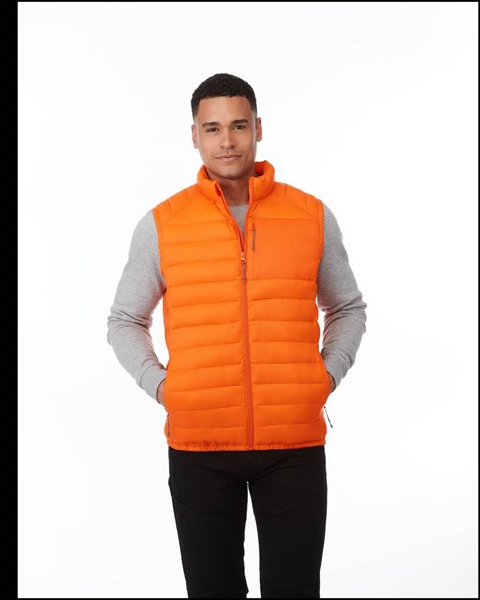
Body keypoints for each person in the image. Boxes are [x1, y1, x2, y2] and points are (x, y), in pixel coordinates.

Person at [107, 73, 367, 599]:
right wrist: (165, 389)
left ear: (258, 129)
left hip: (292, 444)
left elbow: (347, 307)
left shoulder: (311, 216)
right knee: (212, 589)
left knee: (294, 589)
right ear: (195, 136)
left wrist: (323, 378)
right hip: (199, 446)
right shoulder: (163, 224)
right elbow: (124, 320)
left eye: (239, 126)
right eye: (213, 128)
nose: (227, 140)